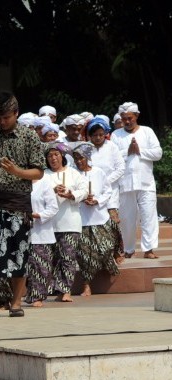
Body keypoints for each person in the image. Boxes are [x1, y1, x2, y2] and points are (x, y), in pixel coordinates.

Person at [0, 91, 46, 318]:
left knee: (19, 251)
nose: (2, 122)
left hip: (18, 201)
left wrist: (17, 171)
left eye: (6, 117)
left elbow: (39, 172)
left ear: (16, 113)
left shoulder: (29, 137)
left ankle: (16, 302)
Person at [110, 102, 163, 259]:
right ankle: (128, 249)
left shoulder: (147, 132)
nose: (127, 121)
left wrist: (140, 151)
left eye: (130, 118)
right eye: (124, 118)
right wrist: (127, 152)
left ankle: (149, 249)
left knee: (149, 216)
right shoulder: (116, 135)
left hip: (146, 182)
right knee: (127, 219)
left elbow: (158, 153)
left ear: (137, 116)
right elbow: (111, 158)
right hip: (125, 184)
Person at [73, 142, 119, 296]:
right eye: (76, 159)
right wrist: (81, 198)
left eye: (81, 158)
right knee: (85, 255)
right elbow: (70, 193)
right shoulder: (73, 174)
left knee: (106, 248)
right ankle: (86, 285)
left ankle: (111, 261)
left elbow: (107, 191)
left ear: (87, 157)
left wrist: (97, 200)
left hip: (100, 217)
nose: (79, 161)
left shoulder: (99, 172)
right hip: (82, 220)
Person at [47, 142, 88, 302]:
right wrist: (52, 191)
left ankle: (66, 290)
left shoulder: (73, 173)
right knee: (52, 258)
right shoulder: (43, 175)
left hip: (70, 222)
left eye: (56, 155)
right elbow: (36, 193)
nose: (53, 158)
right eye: (50, 156)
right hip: (49, 224)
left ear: (62, 156)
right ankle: (54, 289)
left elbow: (84, 191)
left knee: (68, 257)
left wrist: (71, 194)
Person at [87, 116, 126, 262]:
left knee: (112, 221)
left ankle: (117, 251)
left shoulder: (112, 147)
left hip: (110, 190)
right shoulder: (86, 148)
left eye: (100, 135)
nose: (98, 138)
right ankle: (98, 254)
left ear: (105, 134)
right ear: (90, 135)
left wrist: (104, 182)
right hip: (91, 191)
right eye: (95, 135)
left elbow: (120, 168)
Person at [25, 164, 60, 307]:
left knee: (40, 266)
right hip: (22, 231)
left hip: (41, 231)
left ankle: (38, 296)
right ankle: (26, 295)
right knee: (25, 266)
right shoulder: (18, 183)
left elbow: (53, 208)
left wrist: (37, 215)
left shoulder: (44, 183)